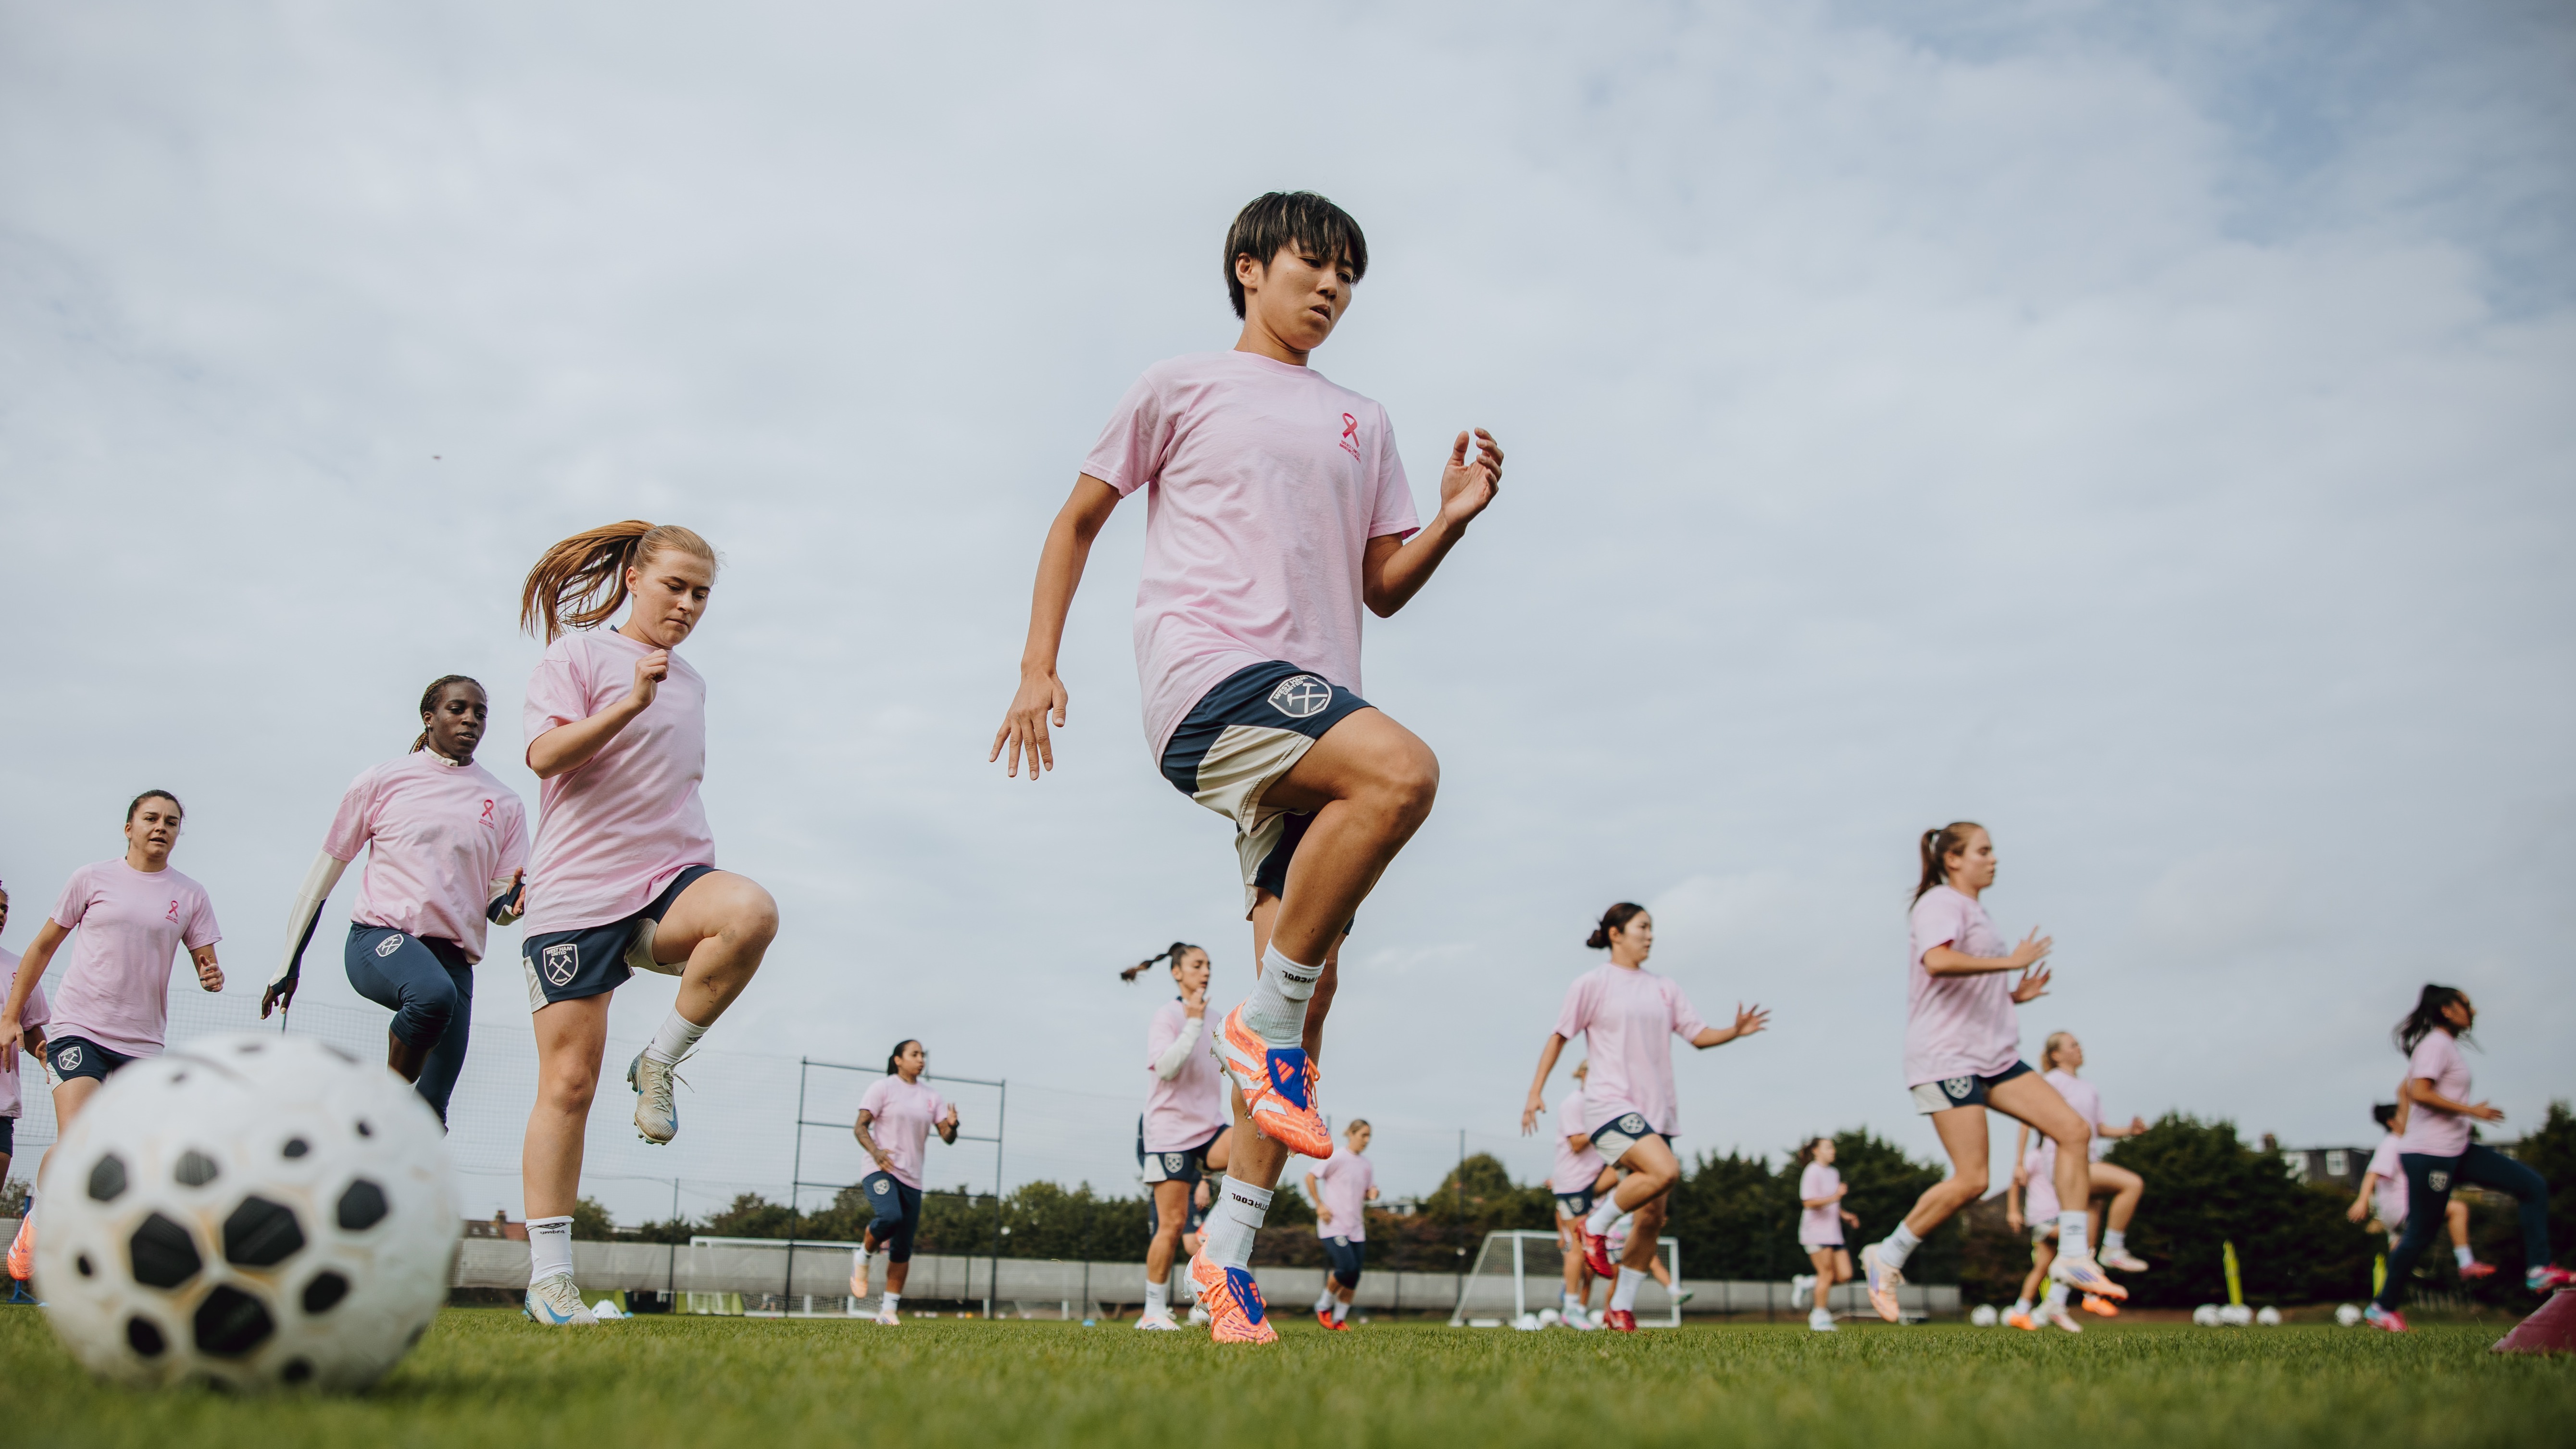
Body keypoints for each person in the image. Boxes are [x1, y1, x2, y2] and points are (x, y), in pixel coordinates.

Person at [989, 191, 1503, 1345]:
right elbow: (1076, 520)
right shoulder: (1178, 386)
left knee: (1308, 997)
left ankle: (1226, 1261)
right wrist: (1036, 666)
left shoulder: (1364, 420)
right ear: (1248, 267)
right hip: (1210, 674)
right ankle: (1258, 1019)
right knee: (1403, 773)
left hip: (1312, 716)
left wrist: (1453, 518)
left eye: (1348, 276)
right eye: (1312, 264)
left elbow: (1381, 586)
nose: (1331, 288)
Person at [514, 521, 781, 1327]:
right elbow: (544, 756)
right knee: (568, 1084)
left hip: (668, 883)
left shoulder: (692, 682)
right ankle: (550, 1280)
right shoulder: (577, 655)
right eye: (675, 586)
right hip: (576, 894)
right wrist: (629, 701)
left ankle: (659, 1060)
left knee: (750, 911)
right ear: (634, 578)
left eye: (702, 593)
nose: (688, 604)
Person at [1859, 823, 2124, 1323]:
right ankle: (1887, 1256)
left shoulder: (1977, 910)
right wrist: (2010, 962)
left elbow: (1963, 986)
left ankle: (2073, 1254)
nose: (1994, 858)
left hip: (1993, 1055)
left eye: (1993, 850)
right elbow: (1937, 961)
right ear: (1953, 859)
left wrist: (2010, 995)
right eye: (1983, 850)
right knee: (1973, 1180)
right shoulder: (1939, 902)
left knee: (2073, 1131)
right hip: (1946, 1057)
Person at [261, 675, 528, 1124]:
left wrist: (512, 905)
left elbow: (497, 904)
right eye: (457, 709)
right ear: (429, 718)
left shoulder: (504, 803)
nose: (471, 720)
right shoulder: (381, 781)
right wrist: (288, 963)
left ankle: (381, 1143)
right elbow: (321, 878)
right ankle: (382, 1108)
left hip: (454, 962)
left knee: (429, 1115)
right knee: (431, 997)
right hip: (380, 940)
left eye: (480, 713)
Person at [0, 792, 222, 1286]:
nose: (161, 827)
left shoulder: (190, 895)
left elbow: (205, 958)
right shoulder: (91, 878)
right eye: (151, 818)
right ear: (129, 827)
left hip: (142, 1043)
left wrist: (211, 973)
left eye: (171, 822)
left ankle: (104, 1259)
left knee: (120, 1155)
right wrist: (11, 1016)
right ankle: (39, 1224)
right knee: (79, 1138)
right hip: (79, 1026)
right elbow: (42, 947)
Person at [1520, 903, 1767, 1333]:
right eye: (1642, 927)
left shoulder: (1664, 988)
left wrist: (1734, 1031)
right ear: (1616, 934)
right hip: (1610, 1105)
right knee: (1665, 1170)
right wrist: (1535, 1092)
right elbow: (1559, 1036)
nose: (1650, 936)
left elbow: (1697, 1035)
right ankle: (1594, 1228)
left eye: (1652, 929)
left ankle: (1620, 1310)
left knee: (1652, 1217)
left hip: (1658, 1114)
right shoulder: (1592, 984)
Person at [2363, 987, 2571, 1332]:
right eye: (2466, 1005)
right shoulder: (2435, 1044)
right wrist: (2470, 1110)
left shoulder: (2444, 1046)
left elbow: (2406, 1089)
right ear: (2447, 1010)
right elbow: (2418, 1091)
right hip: (2430, 1154)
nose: (2473, 1011)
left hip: (2457, 1149)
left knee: (2531, 1186)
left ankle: (2539, 1269)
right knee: (2421, 1233)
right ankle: (2382, 1308)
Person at [1134, 943, 1232, 1330]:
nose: (1205, 971)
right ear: (1177, 972)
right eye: (1197, 965)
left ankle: (1214, 1227)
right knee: (1172, 1225)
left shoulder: (1218, 1018)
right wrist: (1192, 1024)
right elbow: (1166, 1068)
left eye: (1209, 965)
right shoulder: (1168, 1016)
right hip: (1169, 1133)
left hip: (1209, 1127)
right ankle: (1153, 1312)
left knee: (1259, 1145)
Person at [2009, 1031, 2152, 1273]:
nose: (2079, 1049)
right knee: (2132, 1184)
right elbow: (2026, 1120)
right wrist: (2020, 1162)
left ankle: (2062, 1290)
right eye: (2073, 1045)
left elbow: (2099, 1129)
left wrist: (2129, 1131)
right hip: (2063, 1162)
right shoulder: (2052, 1081)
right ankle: (2113, 1248)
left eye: (2079, 1045)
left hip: (2089, 1161)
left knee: (2085, 1251)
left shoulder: (2089, 1088)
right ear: (2056, 1055)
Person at [850, 1039, 959, 1327]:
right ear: (898, 1060)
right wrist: (876, 1152)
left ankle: (888, 1311)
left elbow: (947, 1137)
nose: (921, 1060)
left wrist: (953, 1125)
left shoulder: (931, 1096)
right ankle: (863, 1256)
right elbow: (860, 1127)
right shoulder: (883, 1088)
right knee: (890, 1217)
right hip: (881, 1169)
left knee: (902, 1248)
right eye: (915, 1054)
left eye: (923, 1055)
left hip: (913, 1178)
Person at [2349, 1100, 2484, 1277]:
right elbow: (2373, 1173)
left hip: (2392, 1215)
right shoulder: (2392, 1143)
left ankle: (2389, 1291)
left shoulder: (2404, 1145)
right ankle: (2466, 1262)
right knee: (2458, 1209)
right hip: (2402, 1208)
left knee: (2399, 1261)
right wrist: (2362, 1200)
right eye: (2404, 1115)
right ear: (2392, 1122)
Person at [0, 883, 52, 1299]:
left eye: (4, 908)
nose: (0, 914)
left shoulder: (20, 970)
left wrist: (47, 1056)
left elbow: (33, 1030)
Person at [1548, 1059, 1613, 1327]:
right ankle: (1571, 1308)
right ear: (1584, 1075)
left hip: (1593, 1182)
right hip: (1574, 1185)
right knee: (1578, 1247)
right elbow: (1577, 1144)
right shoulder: (1574, 1104)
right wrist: (1607, 1125)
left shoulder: (1601, 1104)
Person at [2002, 1138, 2085, 1332]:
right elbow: (2015, 1182)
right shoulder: (2035, 1157)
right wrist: (2013, 1211)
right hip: (2044, 1219)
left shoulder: (2062, 1159)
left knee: (2041, 1268)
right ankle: (2058, 1303)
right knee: (2078, 1243)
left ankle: (2020, 1312)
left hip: (2058, 1217)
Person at [1304, 1119, 1379, 1330]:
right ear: (1352, 1134)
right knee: (1347, 1268)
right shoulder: (1337, 1157)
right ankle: (1323, 1306)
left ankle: (1338, 1320)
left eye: (1369, 1136)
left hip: (1357, 1228)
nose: (1367, 1140)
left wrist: (1372, 1193)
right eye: (1363, 1135)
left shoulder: (1366, 1164)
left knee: (1354, 1276)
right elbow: (1311, 1177)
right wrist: (1319, 1205)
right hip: (1334, 1225)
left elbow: (1367, 1192)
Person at [1792, 1137, 1859, 1332]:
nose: (1833, 1151)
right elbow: (1808, 1202)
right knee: (1827, 1274)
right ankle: (1819, 1317)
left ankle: (1807, 1283)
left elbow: (1832, 1204)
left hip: (1834, 1233)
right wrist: (1836, 1196)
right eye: (1829, 1147)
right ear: (1816, 1151)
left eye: (1833, 1147)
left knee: (1845, 1275)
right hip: (1815, 1232)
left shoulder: (1833, 1172)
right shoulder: (1812, 1171)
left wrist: (1845, 1215)